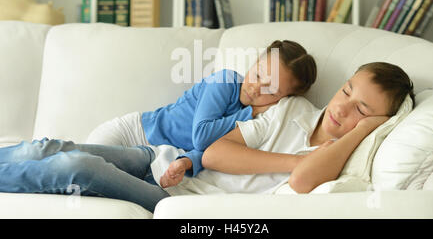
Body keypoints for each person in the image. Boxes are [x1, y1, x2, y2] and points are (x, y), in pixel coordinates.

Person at [0, 40, 317, 213]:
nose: (257, 86)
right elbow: (202, 135)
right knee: (46, 150)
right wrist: (249, 114)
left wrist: (187, 160)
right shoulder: (227, 83)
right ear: (255, 60)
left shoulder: (268, 119)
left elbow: (204, 151)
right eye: (258, 72)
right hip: (135, 134)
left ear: (284, 98)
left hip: (163, 159)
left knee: (76, 167)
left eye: (271, 89)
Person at [151, 62, 415, 198]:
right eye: (346, 91)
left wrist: (362, 131)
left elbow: (301, 180)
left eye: (362, 111)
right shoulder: (292, 108)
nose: (342, 108)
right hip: (170, 169)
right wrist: (296, 161)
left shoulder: (341, 160)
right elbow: (212, 154)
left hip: (183, 197)